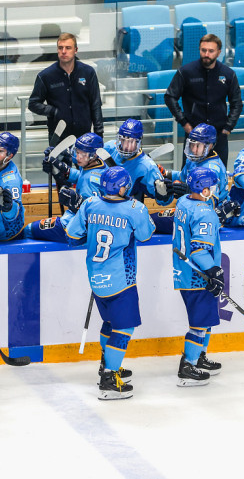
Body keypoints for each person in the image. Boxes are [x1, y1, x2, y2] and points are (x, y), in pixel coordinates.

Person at [66, 166, 156, 400]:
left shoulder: (90, 204)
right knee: (124, 328)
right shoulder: (134, 208)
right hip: (121, 279)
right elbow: (146, 235)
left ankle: (106, 364)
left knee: (109, 322)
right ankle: (109, 376)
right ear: (123, 187)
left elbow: (73, 234)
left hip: (96, 277)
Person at [172, 167, 229, 387]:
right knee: (199, 324)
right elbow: (198, 249)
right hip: (198, 275)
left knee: (205, 320)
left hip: (185, 272)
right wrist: (213, 271)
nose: (214, 190)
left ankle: (199, 357)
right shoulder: (204, 212)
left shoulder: (184, 202)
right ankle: (188, 366)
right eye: (212, 187)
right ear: (204, 189)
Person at [164, 34, 243, 166]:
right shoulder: (186, 72)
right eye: (203, 50)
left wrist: (228, 128)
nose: (206, 54)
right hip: (193, 135)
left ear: (219, 52)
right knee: (189, 176)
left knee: (218, 176)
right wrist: (184, 123)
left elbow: (237, 103)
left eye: (211, 51)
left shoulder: (228, 74)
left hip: (219, 136)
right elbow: (170, 96)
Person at [152, 124, 235, 234]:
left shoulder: (212, 169)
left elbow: (210, 202)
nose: (194, 150)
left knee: (150, 221)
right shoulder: (194, 160)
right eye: (192, 145)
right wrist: (167, 174)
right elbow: (183, 177)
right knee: (151, 219)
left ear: (210, 145)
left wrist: (188, 191)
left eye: (198, 146)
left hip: (208, 218)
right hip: (192, 210)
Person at [25, 133, 106, 242]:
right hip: (82, 225)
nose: (78, 157)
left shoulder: (90, 181)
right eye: (77, 152)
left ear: (94, 155)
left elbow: (90, 214)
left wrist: (75, 204)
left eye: (83, 154)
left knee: (29, 230)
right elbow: (81, 176)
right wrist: (64, 169)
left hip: (72, 228)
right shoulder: (99, 165)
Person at [28, 32, 104, 143]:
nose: (64, 51)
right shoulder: (46, 76)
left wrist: (99, 134)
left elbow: (96, 104)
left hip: (84, 136)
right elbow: (33, 103)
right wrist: (53, 111)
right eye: (60, 48)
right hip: (58, 137)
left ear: (75, 50)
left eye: (68, 48)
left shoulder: (88, 72)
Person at [102, 119, 164, 202]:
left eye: (131, 142)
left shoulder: (148, 167)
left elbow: (162, 201)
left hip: (128, 209)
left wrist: (164, 195)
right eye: (123, 141)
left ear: (138, 142)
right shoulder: (110, 148)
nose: (126, 146)